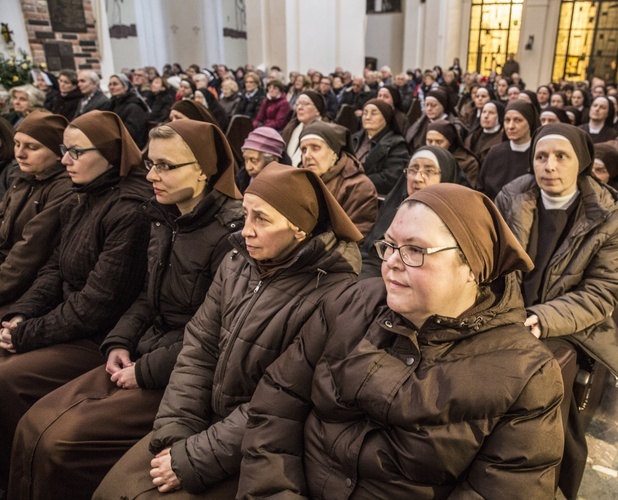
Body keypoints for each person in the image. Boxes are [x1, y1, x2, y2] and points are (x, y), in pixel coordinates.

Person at [238, 182, 565, 499]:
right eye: (389, 245)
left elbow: (503, 489)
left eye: (414, 250)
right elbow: (277, 403)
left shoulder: (526, 374)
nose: (391, 261)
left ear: (473, 268)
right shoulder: (352, 302)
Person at [94, 162, 363, 499]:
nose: (245, 230)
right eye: (246, 214)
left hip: (261, 448)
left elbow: (284, 404)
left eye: (261, 219)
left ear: (299, 229)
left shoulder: (335, 296)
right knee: (112, 489)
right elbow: (199, 349)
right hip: (202, 420)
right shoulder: (238, 262)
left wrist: (196, 456)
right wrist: (177, 434)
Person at [7, 120, 244, 500]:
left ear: (202, 169)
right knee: (33, 423)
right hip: (140, 349)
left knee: (60, 443)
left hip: (180, 370)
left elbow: (214, 334)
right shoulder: (163, 215)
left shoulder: (231, 234)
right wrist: (119, 340)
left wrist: (144, 370)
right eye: (151, 163)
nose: (152, 174)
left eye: (166, 165)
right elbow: (145, 296)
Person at [0, 110, 151, 493]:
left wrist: (26, 335)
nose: (65, 159)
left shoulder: (130, 210)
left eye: (75, 152)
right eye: (64, 151)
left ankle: (25, 481)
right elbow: (54, 270)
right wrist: (21, 314)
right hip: (67, 319)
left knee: (8, 378)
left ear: (110, 155)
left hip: (97, 337)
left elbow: (97, 306)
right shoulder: (81, 196)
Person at [496, 123, 618, 499]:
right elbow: (489, 257)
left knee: (535, 383)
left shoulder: (612, 220)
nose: (549, 166)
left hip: (570, 324)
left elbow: (602, 293)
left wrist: (542, 318)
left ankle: (548, 475)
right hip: (507, 310)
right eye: (541, 157)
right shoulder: (512, 196)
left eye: (561, 157)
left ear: (582, 163)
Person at [0, 112, 72, 308]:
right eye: (17, 144)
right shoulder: (23, 176)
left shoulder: (64, 188)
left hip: (28, 286)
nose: (20, 153)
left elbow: (30, 250)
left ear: (59, 153)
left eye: (32, 147)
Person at [359, 146, 460, 279]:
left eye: (429, 170)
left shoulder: (455, 220)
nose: (418, 178)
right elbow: (372, 254)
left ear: (445, 176)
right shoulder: (395, 204)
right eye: (413, 169)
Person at [299, 122, 378, 238]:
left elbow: (352, 238)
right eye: (304, 150)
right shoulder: (298, 181)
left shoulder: (359, 187)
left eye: (315, 148)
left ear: (334, 154)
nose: (307, 156)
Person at [476, 100, 539, 199]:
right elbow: (481, 187)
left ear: (530, 122)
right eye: (507, 120)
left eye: (518, 120)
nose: (510, 126)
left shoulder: (537, 154)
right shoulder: (495, 152)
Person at [352, 99, 409, 195]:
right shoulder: (354, 138)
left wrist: (355, 181)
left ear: (386, 118)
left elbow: (390, 178)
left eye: (374, 114)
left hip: (372, 196)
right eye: (365, 113)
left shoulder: (397, 144)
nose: (367, 117)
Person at [281, 90, 327, 167]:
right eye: (298, 104)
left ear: (317, 111)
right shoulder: (292, 126)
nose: (299, 108)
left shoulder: (325, 132)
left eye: (306, 104)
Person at [426, 119, 479, 185]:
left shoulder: (468, 163)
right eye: (429, 141)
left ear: (450, 142)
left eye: (439, 141)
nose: (433, 145)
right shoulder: (422, 159)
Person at [235, 126, 287, 192]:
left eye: (254, 160)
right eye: (246, 159)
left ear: (273, 161)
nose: (248, 167)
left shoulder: (284, 187)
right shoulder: (241, 179)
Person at [107, 74, 150, 149]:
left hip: (131, 147)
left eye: (115, 84)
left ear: (126, 87)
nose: (111, 87)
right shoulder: (113, 103)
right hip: (118, 143)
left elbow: (130, 134)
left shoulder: (134, 107)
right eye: (110, 84)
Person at [593, 142, 618, 215]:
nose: (591, 174)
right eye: (589, 168)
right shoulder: (576, 184)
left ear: (612, 174)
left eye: (599, 170)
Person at [464, 100, 504, 165]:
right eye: (484, 112)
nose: (486, 116)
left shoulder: (503, 140)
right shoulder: (472, 136)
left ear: (500, 116)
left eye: (491, 113)